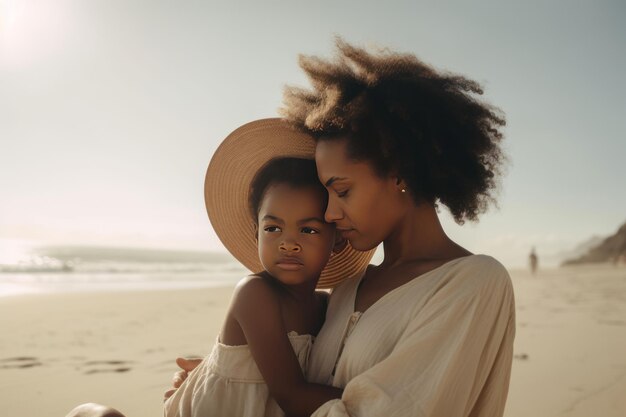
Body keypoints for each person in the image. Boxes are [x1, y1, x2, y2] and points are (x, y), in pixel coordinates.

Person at [171, 39, 516, 417]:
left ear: (399, 172)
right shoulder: (343, 292)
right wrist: (217, 375)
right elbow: (278, 372)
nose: (330, 214)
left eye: (342, 190)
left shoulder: (472, 283)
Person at [65, 120, 373, 417]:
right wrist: (381, 399)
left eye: (308, 230)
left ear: (337, 241)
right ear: (256, 234)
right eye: (273, 229)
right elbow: (291, 394)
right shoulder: (255, 293)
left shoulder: (327, 305)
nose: (288, 243)